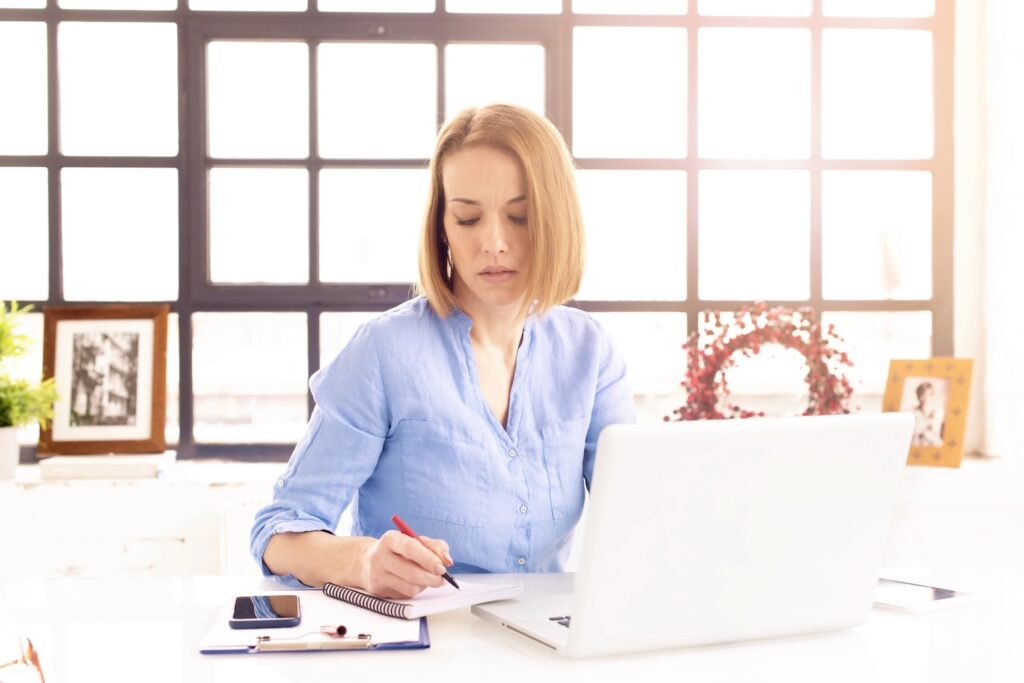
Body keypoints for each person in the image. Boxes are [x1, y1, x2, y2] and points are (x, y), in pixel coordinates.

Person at [250, 104, 636, 598]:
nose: (494, 243)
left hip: (545, 643)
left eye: (519, 217)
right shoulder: (384, 353)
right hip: (421, 648)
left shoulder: (589, 352)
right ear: (442, 229)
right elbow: (278, 532)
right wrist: (363, 561)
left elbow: (634, 515)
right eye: (468, 218)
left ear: (555, 220)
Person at [910, 380, 944, 446]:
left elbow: (935, 430)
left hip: (933, 444)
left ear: (932, 396)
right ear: (918, 396)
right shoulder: (912, 411)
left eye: (929, 395)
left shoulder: (938, 411)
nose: (925, 398)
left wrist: (920, 427)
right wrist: (928, 423)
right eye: (922, 395)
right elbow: (912, 432)